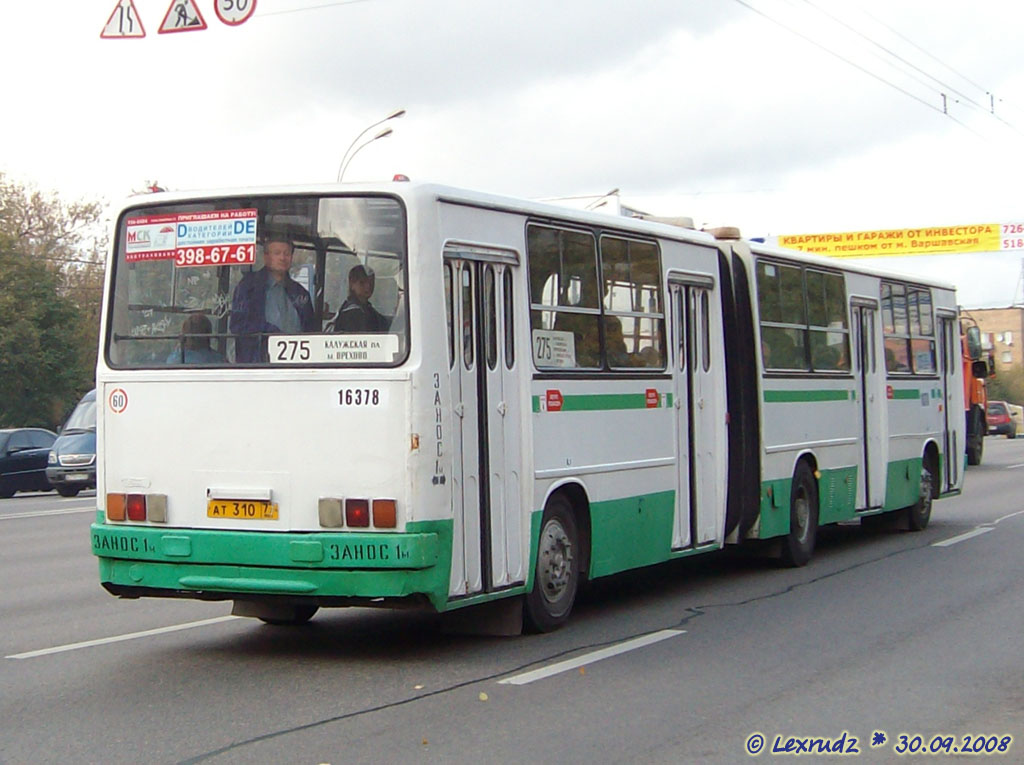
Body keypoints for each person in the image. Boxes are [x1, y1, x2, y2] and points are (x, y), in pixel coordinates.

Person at [229, 234, 316, 362]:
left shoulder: (300, 293)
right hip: (258, 365)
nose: (282, 258)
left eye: (287, 254)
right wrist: (269, 331)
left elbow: (311, 331)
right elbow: (238, 325)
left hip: (297, 367)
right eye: (277, 253)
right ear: (266, 257)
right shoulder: (248, 287)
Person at [330, 264, 389, 333]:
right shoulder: (352, 312)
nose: (368, 286)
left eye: (371, 282)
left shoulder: (367, 308)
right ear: (352, 284)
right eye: (362, 282)